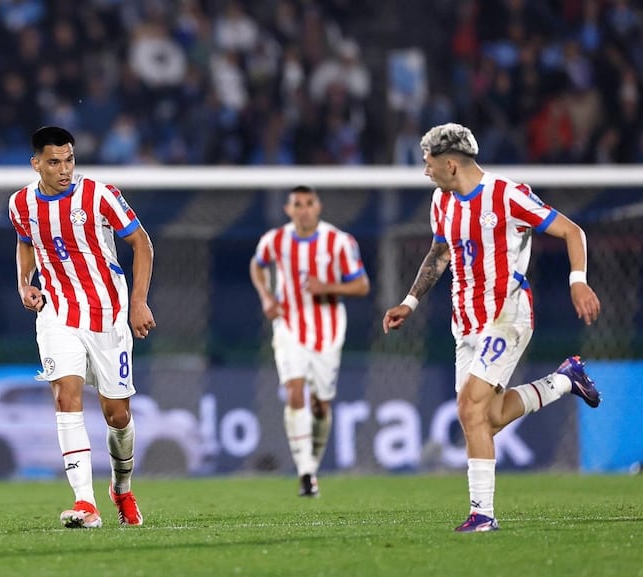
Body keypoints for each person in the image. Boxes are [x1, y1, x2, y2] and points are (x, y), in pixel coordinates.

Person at [382, 122, 602, 532]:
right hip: (463, 322)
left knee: (469, 407)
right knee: (487, 417)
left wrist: (578, 281)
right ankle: (565, 381)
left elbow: (572, 231)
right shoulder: (440, 201)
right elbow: (440, 251)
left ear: (450, 164)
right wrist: (410, 302)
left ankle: (482, 514)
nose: (425, 171)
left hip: (506, 314)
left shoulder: (507, 195)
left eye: (429, 164)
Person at [8, 126, 156, 528]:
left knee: (117, 415)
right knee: (65, 397)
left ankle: (120, 489)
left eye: (69, 159)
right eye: (54, 161)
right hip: (57, 313)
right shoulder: (20, 203)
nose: (64, 169)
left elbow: (141, 242)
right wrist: (25, 283)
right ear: (36, 163)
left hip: (108, 314)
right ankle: (85, 502)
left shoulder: (100, 195)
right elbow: (26, 241)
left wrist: (138, 301)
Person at [250, 185, 370, 496]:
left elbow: (361, 285)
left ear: (318, 207)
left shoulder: (340, 241)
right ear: (288, 210)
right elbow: (257, 265)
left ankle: (311, 466)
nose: (303, 209)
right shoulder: (274, 240)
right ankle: (305, 471)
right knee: (294, 390)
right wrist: (265, 298)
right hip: (288, 325)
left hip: (328, 330)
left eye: (308, 203)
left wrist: (328, 287)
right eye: (297, 204)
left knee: (321, 405)